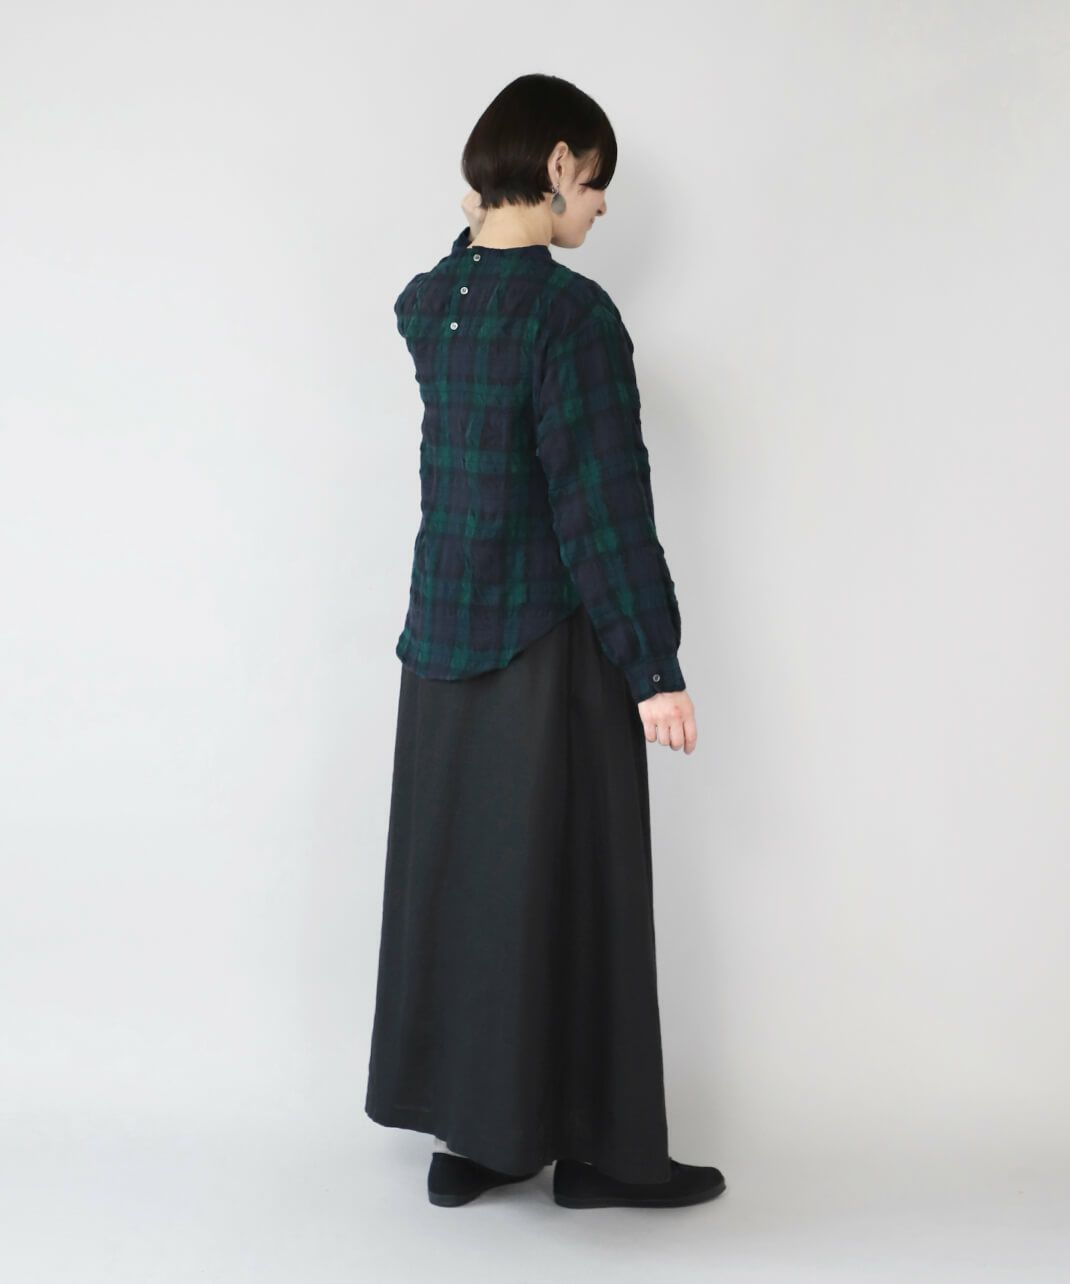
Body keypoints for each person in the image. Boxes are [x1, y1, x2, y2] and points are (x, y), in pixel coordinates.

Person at [364, 73, 726, 1211]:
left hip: (441, 644)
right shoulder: (571, 317)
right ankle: (604, 1157)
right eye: (597, 181)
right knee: (578, 889)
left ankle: (479, 1140)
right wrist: (652, 668)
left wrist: (482, 214)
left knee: (471, 890)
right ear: (561, 162)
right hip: (548, 648)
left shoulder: (433, 301)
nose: (602, 207)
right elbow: (600, 505)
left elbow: (458, 269)